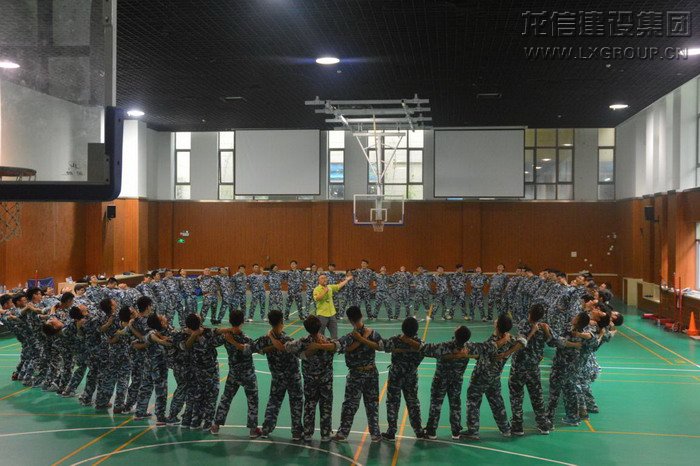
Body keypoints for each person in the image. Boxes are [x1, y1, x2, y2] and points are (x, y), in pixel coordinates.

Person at [462, 315, 524, 440]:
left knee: (473, 401)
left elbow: (479, 352)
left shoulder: (492, 342)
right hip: (495, 377)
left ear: (497, 325)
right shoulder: (510, 339)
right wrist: (507, 353)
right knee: (497, 403)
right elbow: (523, 342)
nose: (495, 320)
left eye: (497, 320)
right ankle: (505, 429)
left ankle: (473, 431)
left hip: (481, 376)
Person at [332, 306, 383, 443]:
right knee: (372, 405)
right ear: (361, 315)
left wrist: (360, 339)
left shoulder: (349, 337)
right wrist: (363, 338)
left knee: (350, 405)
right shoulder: (373, 334)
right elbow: (381, 346)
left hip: (356, 375)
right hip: (371, 373)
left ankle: (343, 433)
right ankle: (375, 434)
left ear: (350, 320)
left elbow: (337, 347)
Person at [285, 315, 337, 441]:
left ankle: (308, 433)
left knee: (309, 405)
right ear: (320, 326)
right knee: (326, 406)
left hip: (310, 381)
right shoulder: (328, 341)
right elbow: (338, 347)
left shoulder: (303, 341)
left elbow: (287, 347)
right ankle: (325, 434)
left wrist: (302, 354)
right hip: (326, 381)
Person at [502, 304, 552, 435]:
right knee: (537, 397)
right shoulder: (543, 327)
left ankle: (518, 426)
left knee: (516, 397)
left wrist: (533, 332)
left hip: (519, 368)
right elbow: (552, 342)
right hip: (533, 369)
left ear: (529, 313)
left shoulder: (525, 324)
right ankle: (543, 424)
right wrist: (545, 331)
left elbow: (522, 342)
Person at [254, 310, 303, 440]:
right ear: (282, 321)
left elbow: (252, 348)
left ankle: (266, 429)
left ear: (270, 322)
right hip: (293, 377)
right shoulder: (289, 339)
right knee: (296, 403)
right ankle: (297, 432)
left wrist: (265, 348)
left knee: (274, 402)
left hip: (277, 377)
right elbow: (300, 352)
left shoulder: (264, 339)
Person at [381, 317, 426, 440]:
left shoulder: (396, 340)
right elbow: (422, 352)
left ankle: (391, 432)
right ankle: (419, 431)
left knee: (392, 402)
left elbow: (384, 346)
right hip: (411, 377)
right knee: (413, 402)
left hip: (395, 376)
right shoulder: (419, 343)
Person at [312, 272, 353, 339]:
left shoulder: (330, 287)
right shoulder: (316, 289)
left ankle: (334, 344)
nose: (324, 279)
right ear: (318, 281)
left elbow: (338, 286)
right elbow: (317, 298)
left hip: (332, 315)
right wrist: (324, 291)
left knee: (334, 336)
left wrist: (347, 280)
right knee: (320, 336)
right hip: (322, 315)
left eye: (325, 278)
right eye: (322, 278)